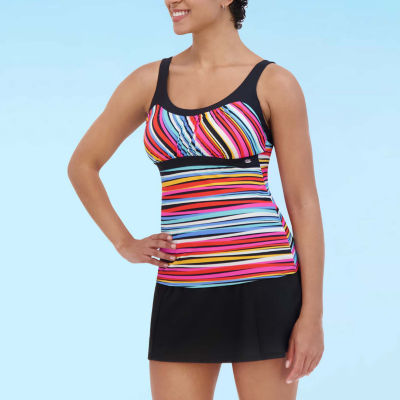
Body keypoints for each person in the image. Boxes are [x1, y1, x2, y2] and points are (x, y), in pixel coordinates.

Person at [68, 0, 325, 399]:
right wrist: (123, 242)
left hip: (264, 283)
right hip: (183, 284)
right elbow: (83, 164)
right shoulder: (149, 81)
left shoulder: (274, 83)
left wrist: (312, 316)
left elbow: (303, 204)